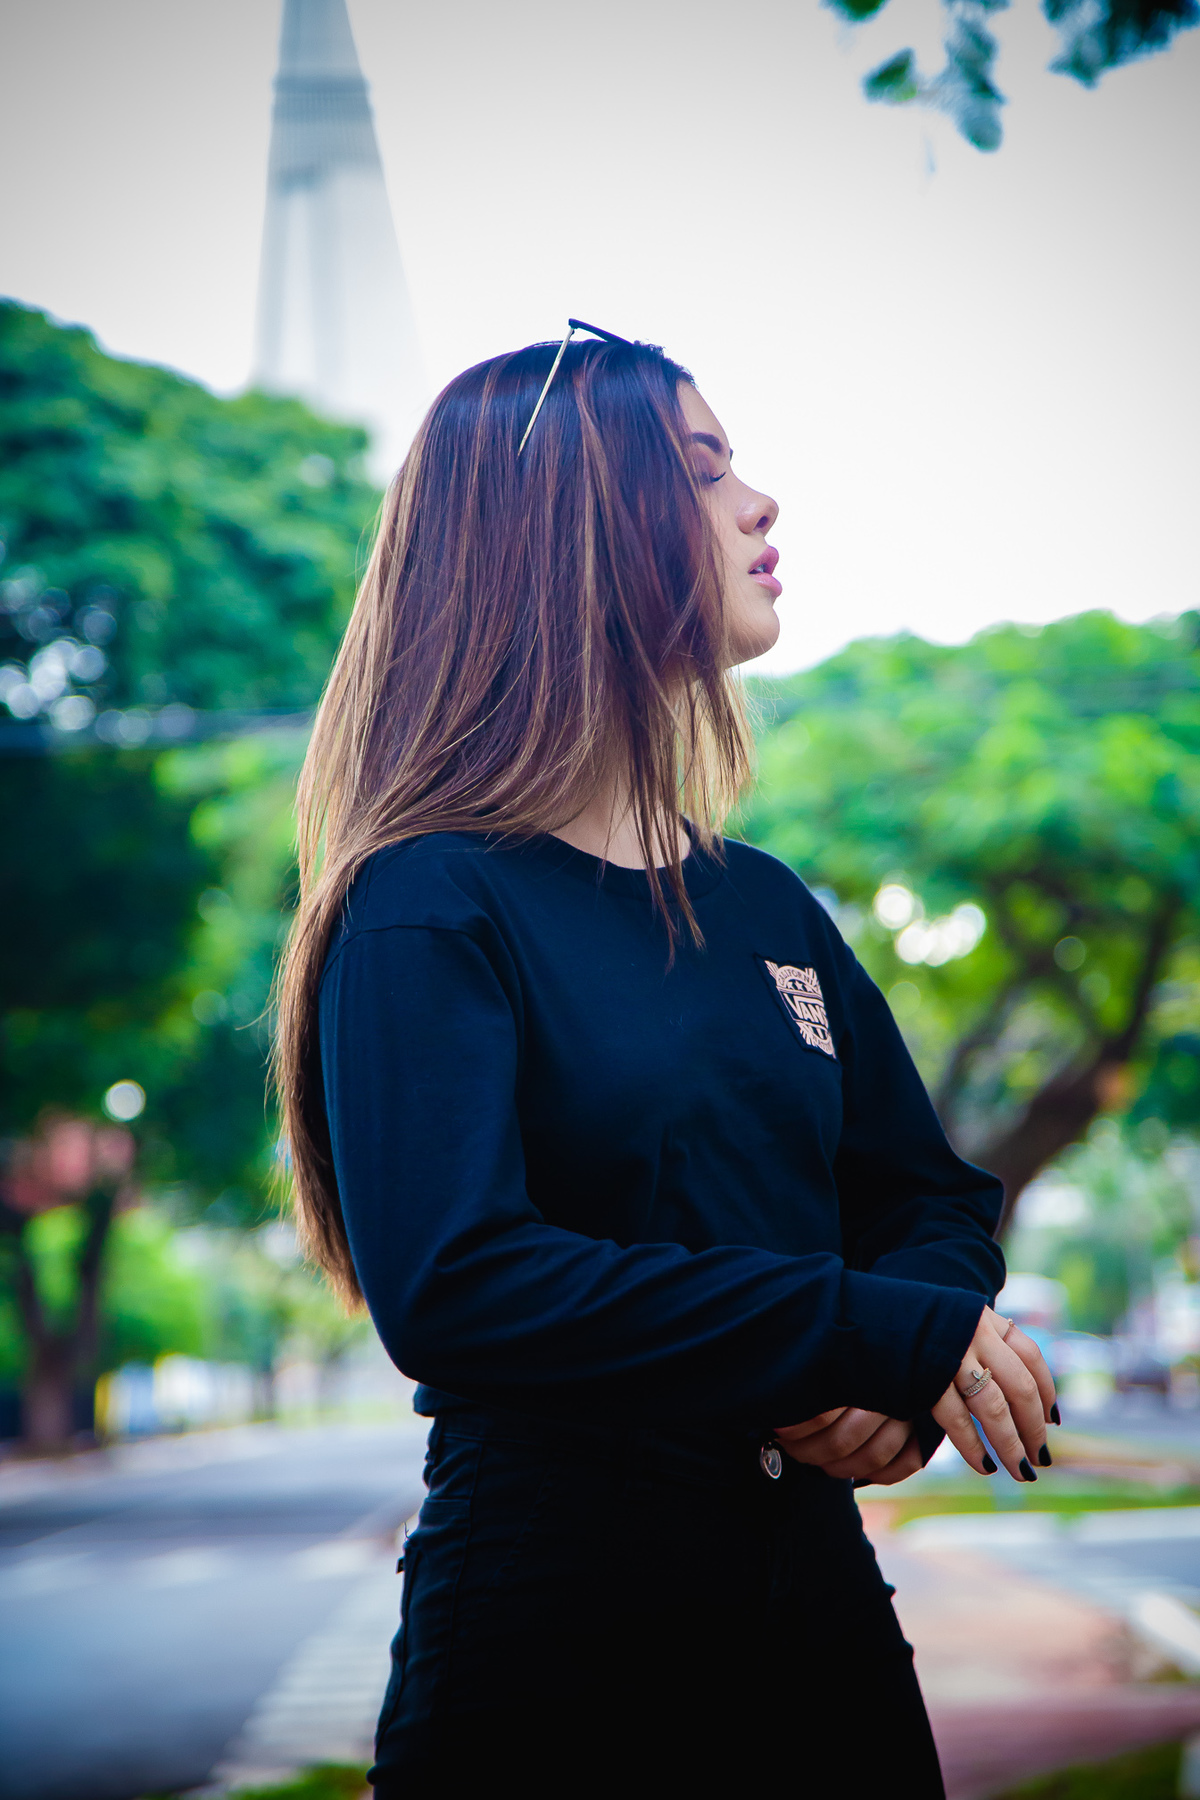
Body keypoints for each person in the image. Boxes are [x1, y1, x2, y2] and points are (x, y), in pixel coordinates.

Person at [275, 323, 1057, 1795]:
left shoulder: (763, 903)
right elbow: (458, 1284)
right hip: (555, 1642)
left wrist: (902, 1364)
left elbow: (926, 1194)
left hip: (819, 1619)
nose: (760, 503)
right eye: (702, 471)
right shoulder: (429, 903)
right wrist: (849, 1329)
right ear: (567, 533)